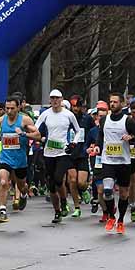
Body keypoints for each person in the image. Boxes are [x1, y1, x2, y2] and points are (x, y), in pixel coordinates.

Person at [96, 92, 135, 235]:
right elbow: (100, 136)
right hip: (108, 160)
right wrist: (97, 146)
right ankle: (111, 217)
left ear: (122, 104)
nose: (112, 104)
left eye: (115, 102)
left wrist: (130, 137)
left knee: (124, 194)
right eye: (111, 102)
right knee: (107, 190)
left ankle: (120, 220)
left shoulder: (128, 120)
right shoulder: (104, 120)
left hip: (124, 162)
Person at [36, 90, 80, 224]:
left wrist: (73, 143)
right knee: (51, 186)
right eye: (52, 98)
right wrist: (38, 138)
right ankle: (57, 211)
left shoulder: (68, 115)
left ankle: (64, 201)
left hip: (63, 153)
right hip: (48, 152)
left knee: (58, 179)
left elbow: (78, 131)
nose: (55, 101)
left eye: (57, 98)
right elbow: (36, 129)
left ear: (62, 99)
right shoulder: (45, 114)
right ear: (50, 100)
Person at [0, 96, 40, 224]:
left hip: (20, 159)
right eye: (7, 108)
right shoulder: (1, 120)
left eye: (12, 108)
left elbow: (38, 135)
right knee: (4, 182)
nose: (9, 111)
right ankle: (2, 211)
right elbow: (3, 133)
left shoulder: (25, 120)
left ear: (19, 107)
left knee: (21, 185)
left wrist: (24, 134)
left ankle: (24, 194)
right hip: (5, 157)